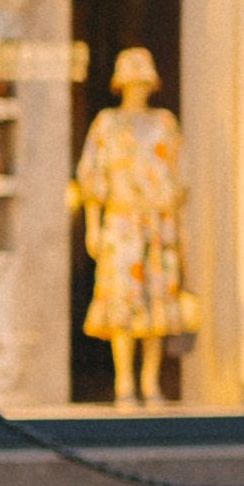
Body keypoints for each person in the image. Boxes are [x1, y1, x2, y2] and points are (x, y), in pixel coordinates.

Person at [70, 47, 192, 407]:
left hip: (157, 222)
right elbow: (92, 176)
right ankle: (124, 383)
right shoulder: (108, 123)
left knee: (155, 305)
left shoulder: (164, 124)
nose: (137, 87)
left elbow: (178, 177)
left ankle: (150, 382)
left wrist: (181, 230)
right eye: (131, 80)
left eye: (142, 80)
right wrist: (93, 225)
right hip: (122, 220)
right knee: (123, 302)